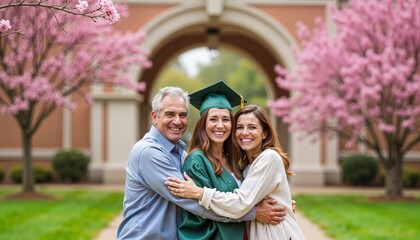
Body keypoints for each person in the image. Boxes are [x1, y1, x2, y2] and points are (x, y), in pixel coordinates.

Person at [117, 86, 287, 240]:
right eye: (170, 114)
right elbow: (194, 204)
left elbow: (247, 193)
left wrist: (276, 201)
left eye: (182, 115)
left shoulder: (181, 154)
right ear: (155, 116)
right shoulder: (150, 153)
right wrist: (253, 212)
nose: (177, 121)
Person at [165, 105, 305, 240]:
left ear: (265, 133)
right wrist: (256, 211)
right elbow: (200, 212)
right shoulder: (238, 165)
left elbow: (241, 203)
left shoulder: (266, 158)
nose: (244, 132)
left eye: (252, 127)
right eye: (240, 127)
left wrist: (200, 193)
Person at [176, 81, 249, 239]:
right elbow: (203, 212)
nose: (220, 125)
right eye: (214, 119)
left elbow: (246, 198)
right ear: (203, 124)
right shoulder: (196, 161)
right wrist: (255, 213)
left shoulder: (232, 160)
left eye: (226, 119)